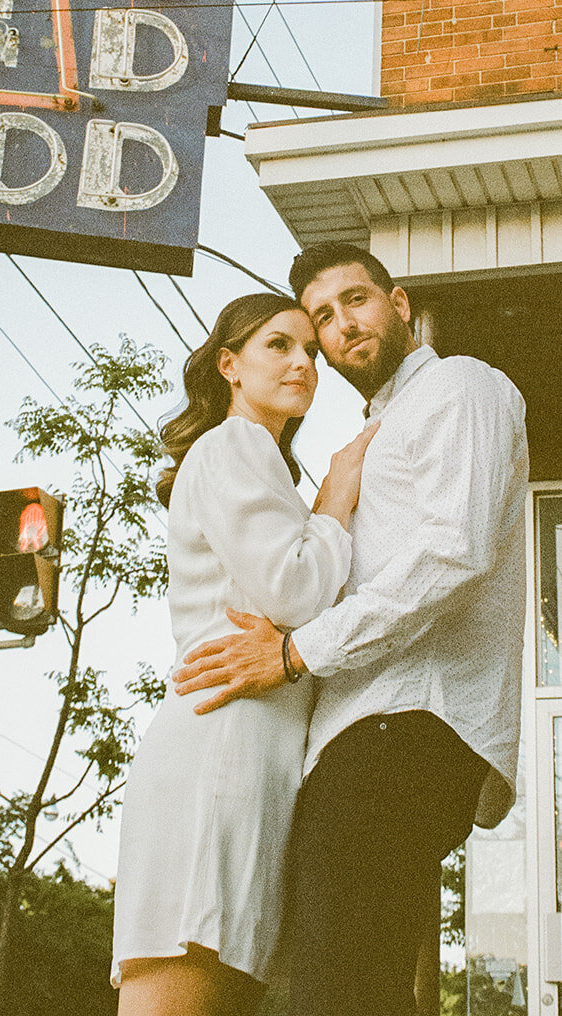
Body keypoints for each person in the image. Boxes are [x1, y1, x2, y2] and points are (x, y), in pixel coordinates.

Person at [173, 242, 528, 1016]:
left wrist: (296, 653)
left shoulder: (460, 386)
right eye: (321, 319)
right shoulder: (381, 426)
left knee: (338, 986)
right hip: (366, 733)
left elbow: (452, 551)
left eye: (355, 301)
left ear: (399, 304)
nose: (341, 327)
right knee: (354, 983)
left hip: (408, 723)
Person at [111, 291, 376, 1016]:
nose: (302, 363)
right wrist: (334, 500)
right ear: (228, 364)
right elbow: (293, 593)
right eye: (279, 345)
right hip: (221, 744)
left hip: (252, 743)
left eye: (311, 352)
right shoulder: (235, 444)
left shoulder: (262, 463)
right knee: (187, 977)